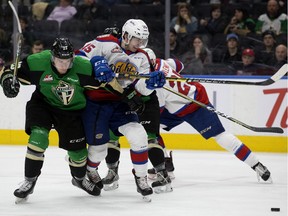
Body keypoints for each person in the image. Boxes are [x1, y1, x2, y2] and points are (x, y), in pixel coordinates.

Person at [0, 38, 112, 203]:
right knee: (38, 138)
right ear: (52, 57)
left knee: (79, 155)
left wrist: (108, 74)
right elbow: (8, 70)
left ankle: (79, 179)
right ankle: (29, 181)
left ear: (73, 58)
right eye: (60, 60)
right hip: (43, 105)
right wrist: (8, 82)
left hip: (72, 112)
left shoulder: (84, 68)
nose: (63, 65)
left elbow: (110, 84)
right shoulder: (37, 62)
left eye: (67, 61)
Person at [144, 48, 272, 183]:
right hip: (182, 102)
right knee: (151, 128)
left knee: (219, 135)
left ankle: (256, 164)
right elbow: (179, 65)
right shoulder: (162, 62)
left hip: (194, 105)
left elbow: (157, 109)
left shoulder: (156, 85)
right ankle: (165, 163)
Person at [76, 19, 166, 200]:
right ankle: (90, 171)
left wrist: (150, 84)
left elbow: (139, 88)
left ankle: (141, 179)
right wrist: (94, 62)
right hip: (96, 103)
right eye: (136, 39)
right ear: (125, 35)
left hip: (120, 103)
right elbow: (77, 59)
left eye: (143, 40)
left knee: (139, 135)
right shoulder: (104, 42)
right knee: (99, 148)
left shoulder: (142, 57)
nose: (140, 44)